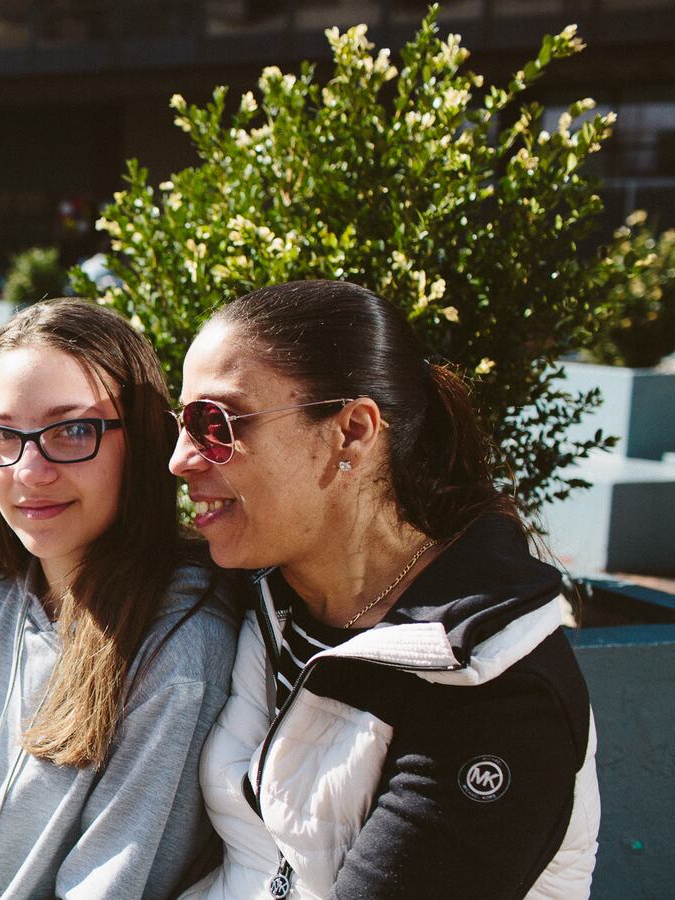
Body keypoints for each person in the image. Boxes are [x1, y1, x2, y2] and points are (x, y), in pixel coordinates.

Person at [170, 280, 599, 899]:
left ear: (352, 431)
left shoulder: (494, 689)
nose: (181, 460)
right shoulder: (266, 595)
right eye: (182, 423)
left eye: (215, 424)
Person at [0, 298, 238, 899]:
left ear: (140, 438)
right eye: (2, 434)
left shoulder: (179, 647)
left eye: (74, 430)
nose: (29, 470)